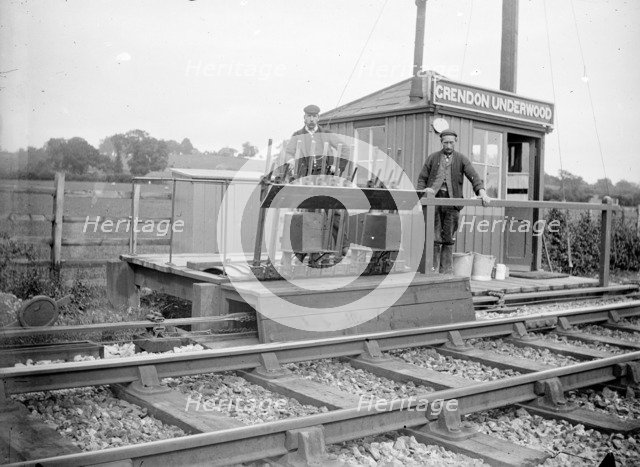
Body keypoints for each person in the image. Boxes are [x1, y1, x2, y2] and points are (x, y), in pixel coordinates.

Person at [417, 129, 491, 274]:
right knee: (434, 236)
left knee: (449, 237)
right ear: (441, 142)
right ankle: (432, 271)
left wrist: (482, 193)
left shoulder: (461, 159)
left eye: (451, 142)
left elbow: (474, 177)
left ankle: (446, 273)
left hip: (452, 204)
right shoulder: (432, 158)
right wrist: (422, 194)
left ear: (455, 142)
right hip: (434, 202)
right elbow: (422, 179)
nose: (449, 145)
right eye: (446, 142)